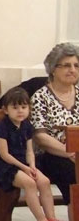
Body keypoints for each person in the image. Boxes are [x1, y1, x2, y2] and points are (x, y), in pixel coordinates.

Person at [0, 87, 69, 221]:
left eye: (23, 107)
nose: (20, 111)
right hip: (6, 166)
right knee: (30, 183)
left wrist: (32, 166)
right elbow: (4, 155)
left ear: (29, 108)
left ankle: (52, 219)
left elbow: (29, 151)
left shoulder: (27, 126)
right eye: (15, 108)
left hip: (24, 164)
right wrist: (25, 168)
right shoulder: (1, 128)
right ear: (6, 110)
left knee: (44, 181)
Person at [30, 43, 79, 205]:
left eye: (76, 65)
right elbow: (40, 136)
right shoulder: (41, 97)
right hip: (50, 156)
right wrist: (70, 152)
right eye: (66, 65)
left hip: (76, 153)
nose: (72, 69)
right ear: (52, 69)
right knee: (73, 175)